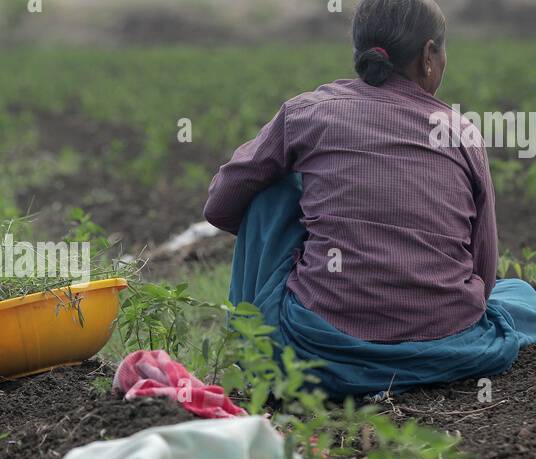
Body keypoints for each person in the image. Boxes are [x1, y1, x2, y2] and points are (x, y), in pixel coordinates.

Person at [204, 0, 536, 398]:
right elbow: (483, 274)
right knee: (520, 296)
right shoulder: (462, 133)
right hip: (450, 349)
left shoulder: (306, 113)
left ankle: (251, 348)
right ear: (429, 55)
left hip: (315, 351)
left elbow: (220, 205)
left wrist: (304, 237)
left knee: (271, 193)